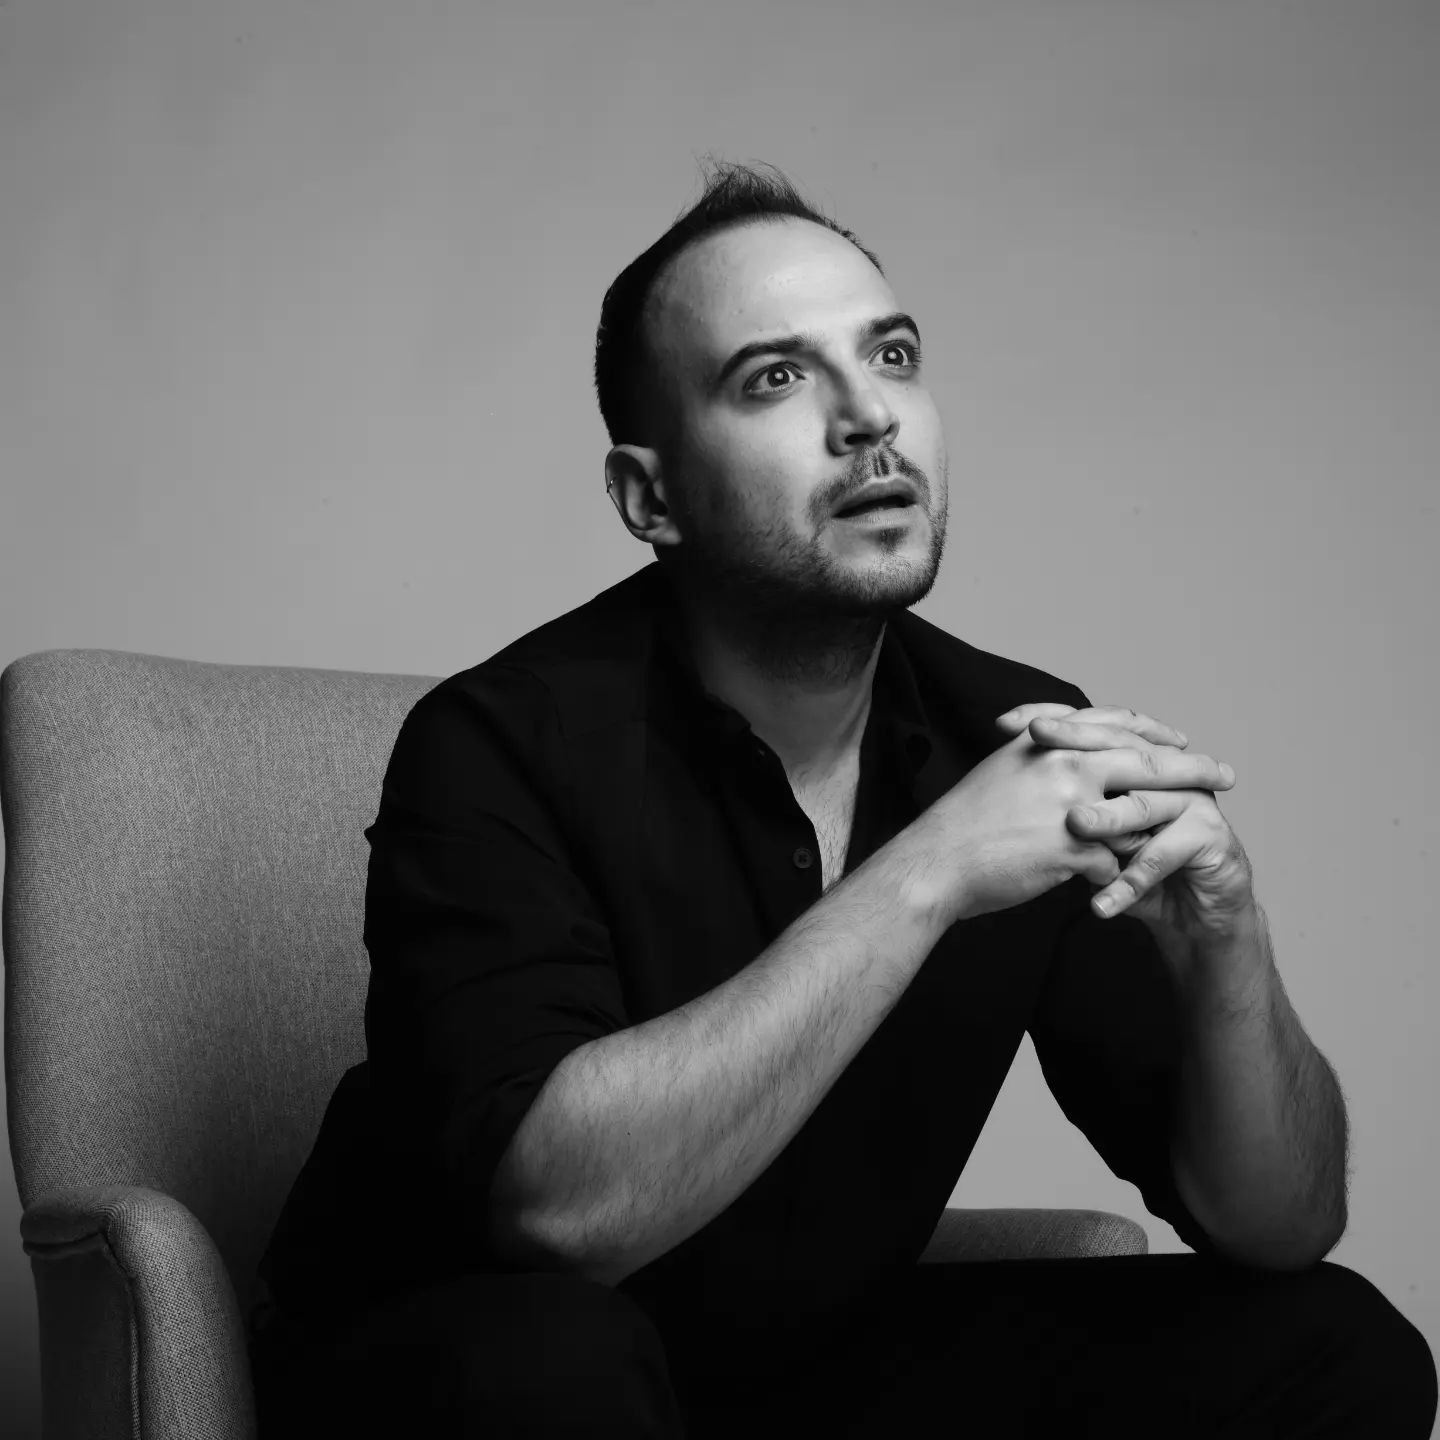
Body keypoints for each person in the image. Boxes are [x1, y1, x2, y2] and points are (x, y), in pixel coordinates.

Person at [247, 161, 1437, 1438]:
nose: (869, 416)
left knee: (1337, 1346)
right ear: (651, 497)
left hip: (800, 1370)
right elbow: (559, 1220)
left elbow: (1279, 1225)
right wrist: (931, 872)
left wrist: (1227, 944)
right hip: (456, 1367)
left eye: (894, 356)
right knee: (563, 1361)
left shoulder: (1012, 738)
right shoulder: (495, 745)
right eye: (775, 378)